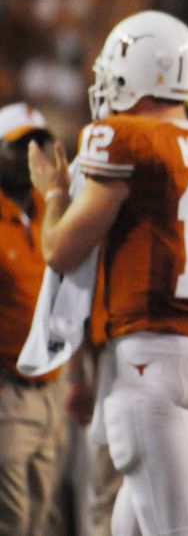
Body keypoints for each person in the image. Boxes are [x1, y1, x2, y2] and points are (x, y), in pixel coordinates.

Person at [27, 10, 188, 536]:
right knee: (129, 526)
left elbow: (61, 251)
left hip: (152, 365)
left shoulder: (126, 138)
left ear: (143, 72)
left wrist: (55, 194)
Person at [0, 102, 66, 535]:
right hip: (6, 385)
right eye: (18, 146)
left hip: (53, 388)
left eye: (37, 145)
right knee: (10, 518)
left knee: (41, 516)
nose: (29, 156)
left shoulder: (53, 212)